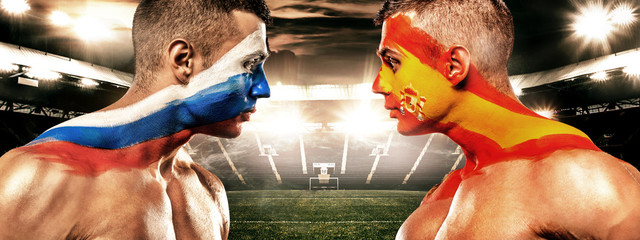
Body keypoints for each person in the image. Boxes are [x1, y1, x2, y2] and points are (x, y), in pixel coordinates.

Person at [0, 0, 271, 238]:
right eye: (249, 64)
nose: (263, 88)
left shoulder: (209, 188)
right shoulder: (34, 178)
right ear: (183, 60)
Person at [372, 0, 640, 239]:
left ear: (453, 66)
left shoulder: (579, 179)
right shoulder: (448, 187)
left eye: (393, 62)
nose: (378, 84)